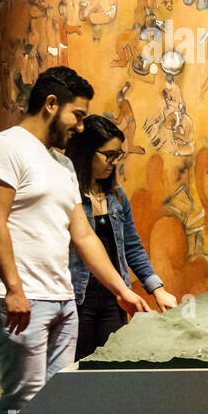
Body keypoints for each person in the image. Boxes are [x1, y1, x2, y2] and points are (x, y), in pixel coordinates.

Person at [0, 67, 152, 414]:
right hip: (22, 300)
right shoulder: (6, 147)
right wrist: (14, 287)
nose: (80, 125)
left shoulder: (60, 165)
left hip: (63, 299)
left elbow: (81, 235)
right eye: (77, 114)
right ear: (51, 103)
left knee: (50, 406)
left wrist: (121, 288)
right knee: (19, 403)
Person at [65, 114, 177, 360]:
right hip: (78, 299)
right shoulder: (68, 194)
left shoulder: (117, 195)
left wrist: (156, 289)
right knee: (77, 374)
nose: (113, 163)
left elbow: (132, 247)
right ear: (86, 152)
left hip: (116, 298)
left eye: (118, 156)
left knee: (111, 369)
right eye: (109, 155)